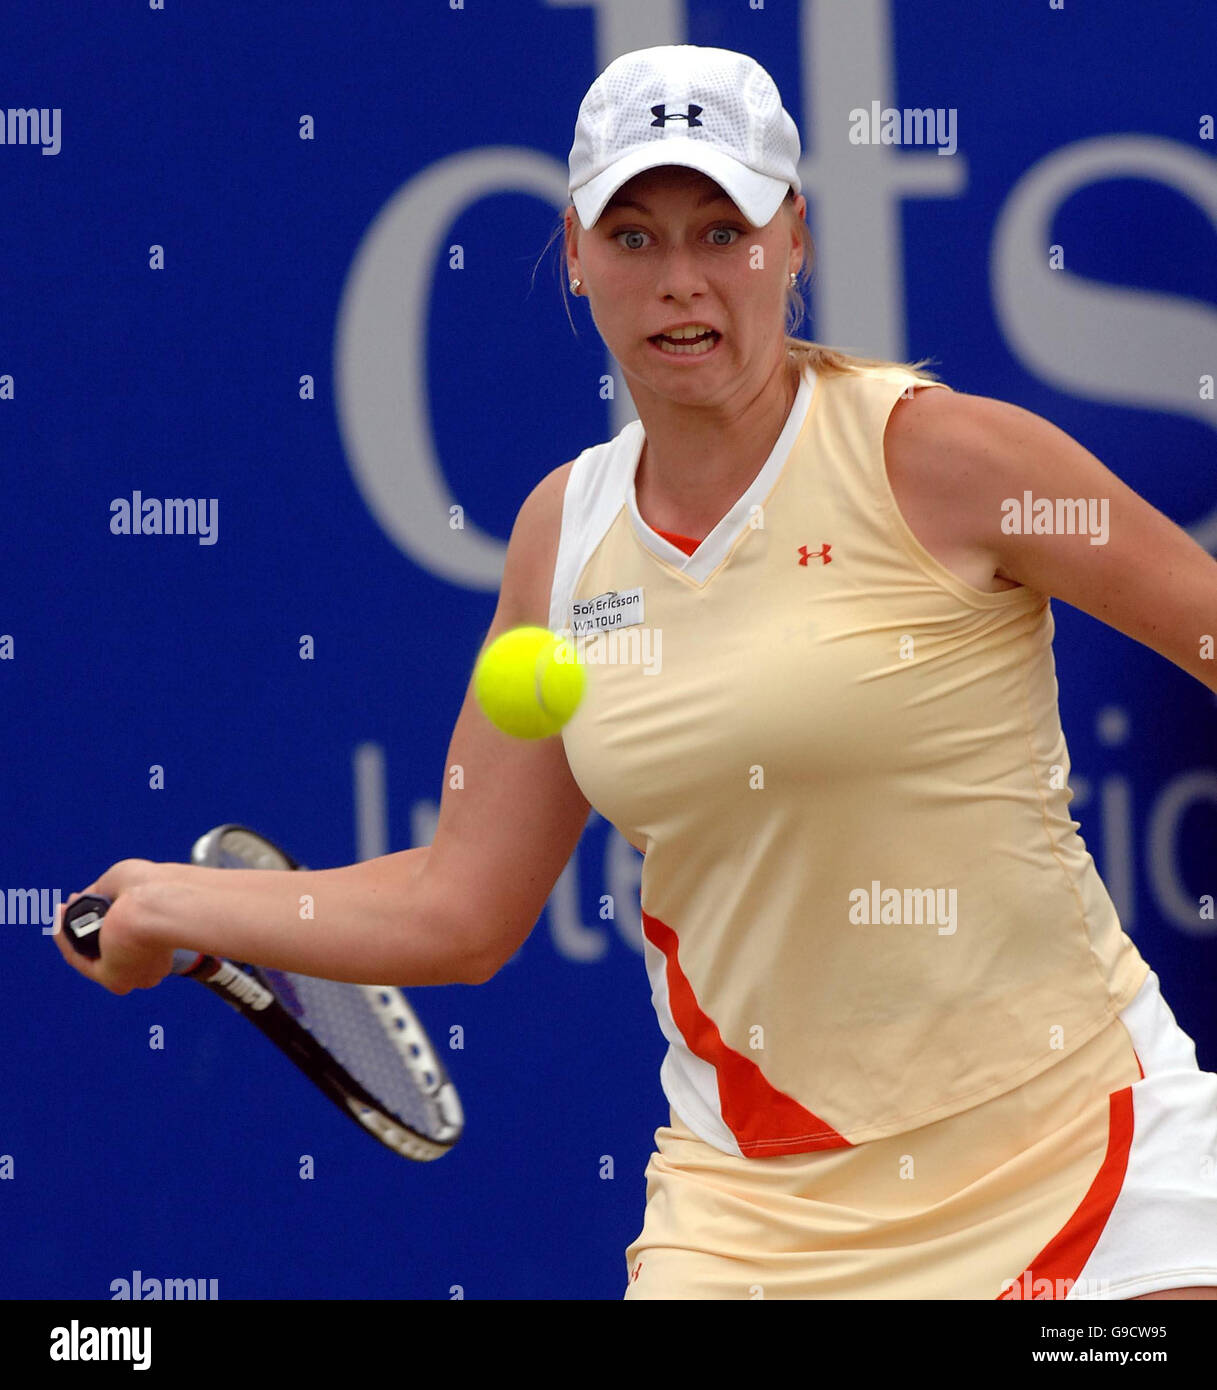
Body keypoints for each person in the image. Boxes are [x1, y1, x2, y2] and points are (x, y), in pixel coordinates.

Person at [56, 44, 1217, 1301]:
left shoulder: (946, 458)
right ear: (572, 253)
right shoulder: (563, 535)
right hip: (749, 1224)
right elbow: (459, 905)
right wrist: (176, 904)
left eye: (722, 231)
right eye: (633, 236)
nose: (680, 281)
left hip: (1083, 1159)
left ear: (794, 239)